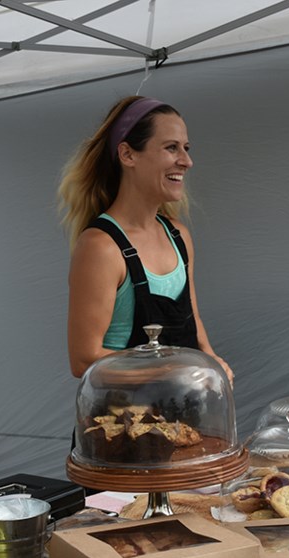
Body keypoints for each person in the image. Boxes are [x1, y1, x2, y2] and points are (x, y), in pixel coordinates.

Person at [59, 95, 233, 383]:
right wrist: (174, 371)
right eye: (171, 148)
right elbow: (83, 359)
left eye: (186, 148)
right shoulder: (101, 247)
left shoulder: (179, 236)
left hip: (182, 411)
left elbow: (193, 321)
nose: (187, 161)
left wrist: (211, 361)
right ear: (128, 155)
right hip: (122, 421)